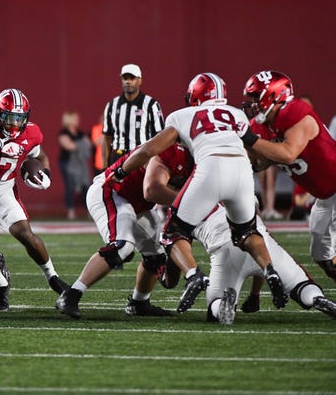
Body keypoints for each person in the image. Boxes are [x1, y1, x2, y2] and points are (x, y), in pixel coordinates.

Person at [111, 72, 288, 312]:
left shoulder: (182, 115)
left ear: (195, 95)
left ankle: (194, 275)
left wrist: (122, 169)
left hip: (211, 169)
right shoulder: (236, 114)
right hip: (243, 171)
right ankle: (271, 271)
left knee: (172, 233)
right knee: (247, 231)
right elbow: (255, 150)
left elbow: (148, 149)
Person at [143, 143, 336, 323]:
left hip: (226, 250)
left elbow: (175, 253)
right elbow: (256, 234)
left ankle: (221, 306)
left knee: (214, 306)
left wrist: (184, 273)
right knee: (299, 283)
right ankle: (314, 297)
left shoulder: (184, 210)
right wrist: (255, 294)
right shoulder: (238, 189)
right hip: (263, 246)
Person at [0, 88, 69, 310]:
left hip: (4, 191)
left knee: (24, 233)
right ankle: (1, 284)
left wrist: (45, 172)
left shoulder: (31, 133)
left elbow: (40, 155)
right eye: (9, 118)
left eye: (19, 119)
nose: (14, 125)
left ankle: (53, 278)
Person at [240, 70, 336, 281]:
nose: (253, 104)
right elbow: (258, 161)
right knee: (324, 258)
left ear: (274, 94)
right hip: (325, 195)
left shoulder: (296, 111)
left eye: (257, 97)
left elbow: (288, 153)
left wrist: (249, 139)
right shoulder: (264, 126)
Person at [56, 149, 172, 319]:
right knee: (121, 246)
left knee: (157, 257)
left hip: (139, 204)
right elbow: (152, 187)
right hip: (112, 191)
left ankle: (139, 303)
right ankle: (71, 294)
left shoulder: (200, 158)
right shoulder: (169, 150)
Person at [101, 63, 164, 167]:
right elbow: (107, 137)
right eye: (125, 78)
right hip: (118, 157)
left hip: (141, 158)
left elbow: (160, 136)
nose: (128, 82)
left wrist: (154, 162)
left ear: (140, 81)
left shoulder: (151, 104)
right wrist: (104, 165)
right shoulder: (112, 105)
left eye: (132, 78)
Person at [57, 111, 92, 220]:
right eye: (75, 118)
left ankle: (89, 211)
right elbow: (69, 146)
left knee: (86, 186)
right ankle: (70, 211)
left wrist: (79, 145)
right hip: (67, 164)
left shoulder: (80, 133)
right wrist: (81, 144)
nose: (77, 121)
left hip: (80, 164)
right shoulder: (63, 133)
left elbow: (88, 145)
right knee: (70, 186)